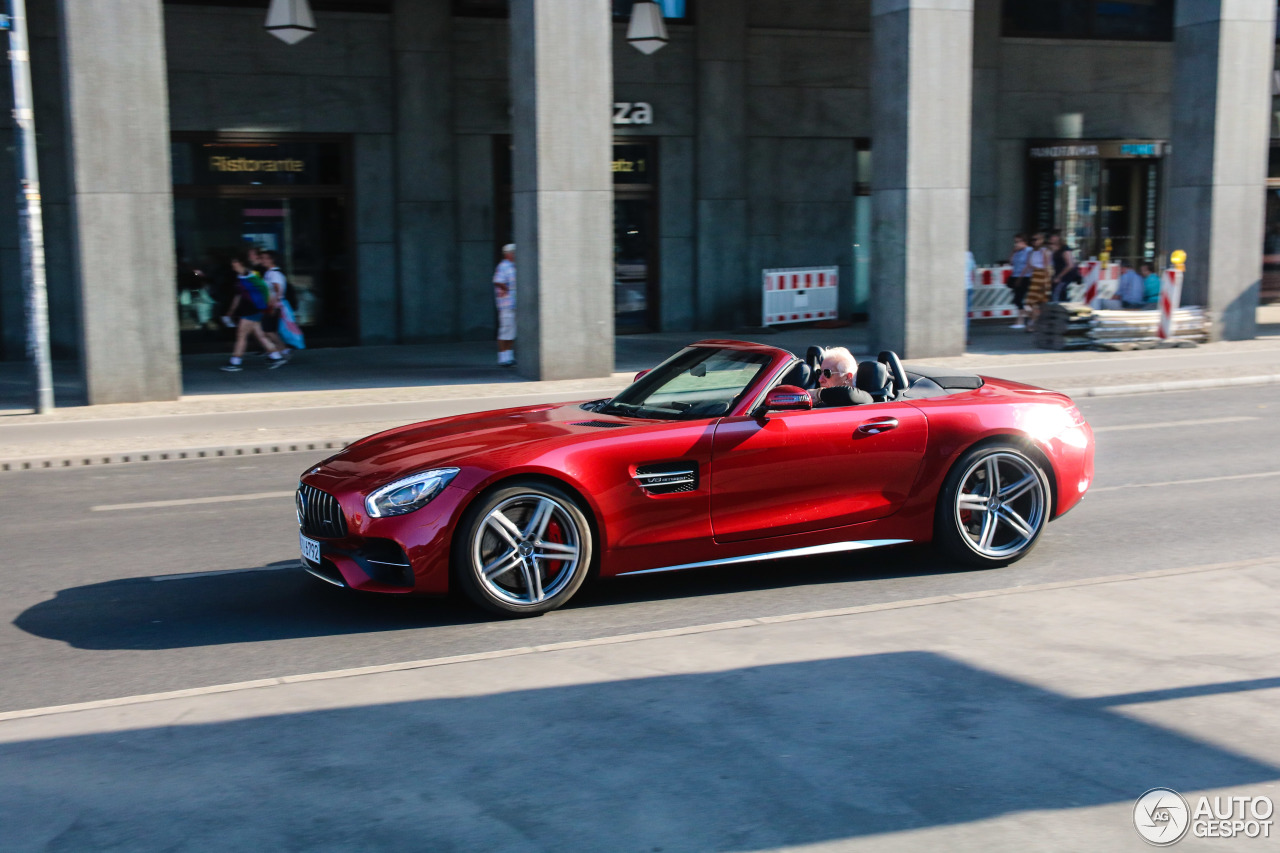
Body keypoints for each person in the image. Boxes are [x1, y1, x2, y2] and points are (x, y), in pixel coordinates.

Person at [220, 257, 286, 372]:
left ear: (241, 263)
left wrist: (269, 306)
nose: (232, 266)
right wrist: (231, 311)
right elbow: (238, 296)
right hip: (252, 310)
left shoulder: (252, 276)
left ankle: (235, 362)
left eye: (234, 263)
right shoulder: (241, 277)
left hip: (252, 310)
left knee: (241, 335)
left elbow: (266, 290)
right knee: (260, 335)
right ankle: (276, 356)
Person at [493, 243, 517, 367]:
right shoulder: (503, 266)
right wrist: (507, 290)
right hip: (507, 304)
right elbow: (498, 281)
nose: (515, 255)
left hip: (515, 304)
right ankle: (503, 357)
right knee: (505, 330)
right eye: (514, 252)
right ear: (508, 254)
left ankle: (509, 356)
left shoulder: (515, 266)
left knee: (512, 331)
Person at [1024, 232, 1052, 331]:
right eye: (1033, 240)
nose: (1034, 242)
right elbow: (1028, 265)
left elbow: (1046, 266)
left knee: (1037, 303)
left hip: (1041, 277)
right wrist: (1021, 277)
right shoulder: (1032, 252)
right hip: (1034, 277)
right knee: (1030, 303)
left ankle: (1033, 324)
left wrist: (1046, 282)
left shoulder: (1044, 251)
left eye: (1036, 239)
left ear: (1041, 240)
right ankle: (1033, 323)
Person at [1007, 233, 1032, 329]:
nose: (1016, 244)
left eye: (1018, 242)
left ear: (1024, 242)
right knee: (1017, 299)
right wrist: (1013, 252)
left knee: (1020, 298)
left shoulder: (1029, 251)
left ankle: (1022, 319)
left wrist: (1021, 277)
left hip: (1025, 276)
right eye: (1015, 242)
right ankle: (1027, 317)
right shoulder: (1017, 252)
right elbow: (1010, 262)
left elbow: (1028, 265)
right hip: (1015, 275)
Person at [1048, 231, 1079, 302]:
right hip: (1057, 275)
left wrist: (1059, 276)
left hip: (1065, 277)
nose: (1051, 238)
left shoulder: (1065, 249)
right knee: (1057, 295)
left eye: (1054, 236)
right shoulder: (1054, 249)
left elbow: (1070, 265)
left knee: (1057, 295)